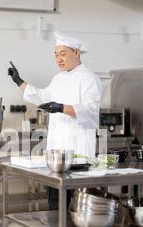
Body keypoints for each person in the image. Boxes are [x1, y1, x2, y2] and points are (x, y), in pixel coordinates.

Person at [7, 31, 102, 211]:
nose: (59, 59)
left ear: (76, 52)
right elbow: (42, 97)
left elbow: (90, 111)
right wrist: (19, 81)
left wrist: (61, 107)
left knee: (81, 200)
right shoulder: (58, 78)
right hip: (57, 152)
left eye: (63, 54)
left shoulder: (89, 78)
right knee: (55, 197)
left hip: (79, 152)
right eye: (56, 55)